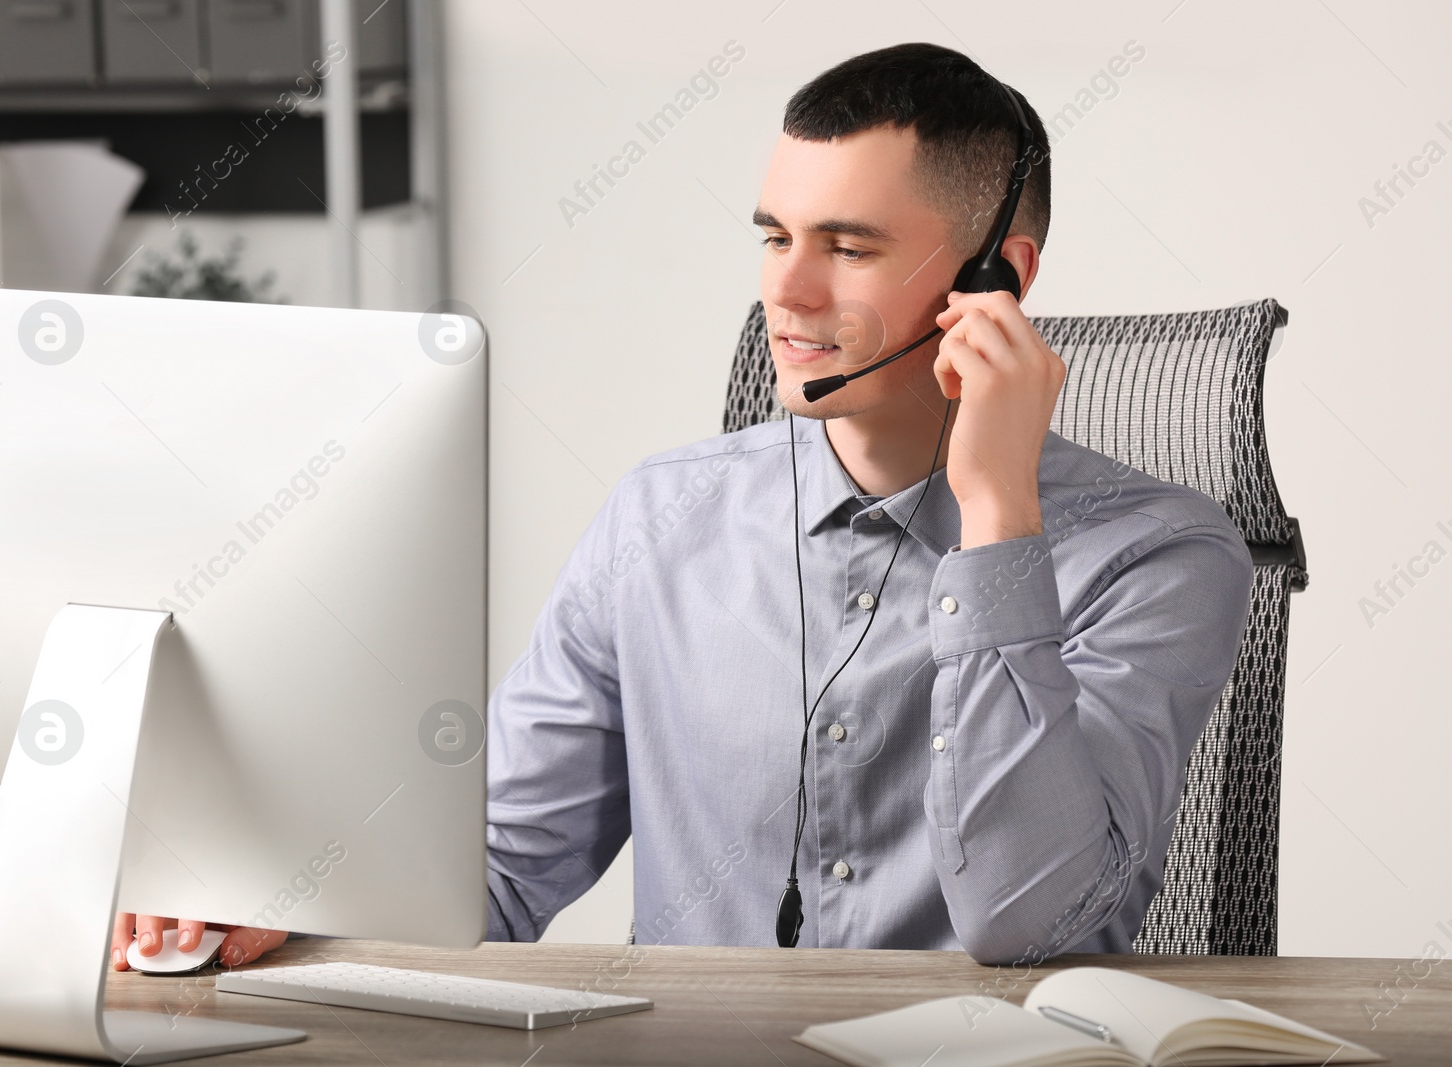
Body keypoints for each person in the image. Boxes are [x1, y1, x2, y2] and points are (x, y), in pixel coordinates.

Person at [114, 42, 1252, 972]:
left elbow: (1031, 923)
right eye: (773, 237)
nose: (787, 293)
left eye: (848, 248)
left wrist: (998, 513)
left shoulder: (1159, 552)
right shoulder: (662, 516)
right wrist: (283, 904)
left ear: (995, 278)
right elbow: (502, 862)